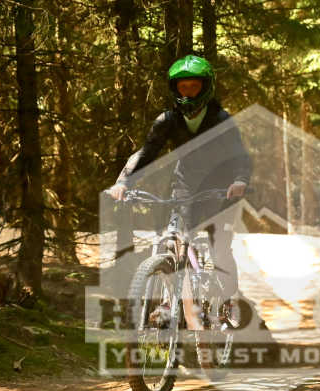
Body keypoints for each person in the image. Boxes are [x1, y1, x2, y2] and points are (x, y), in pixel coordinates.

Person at [107, 54, 251, 301]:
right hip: (186, 184)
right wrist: (123, 181)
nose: (188, 93)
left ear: (206, 88)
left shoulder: (221, 119)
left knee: (219, 249)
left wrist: (240, 180)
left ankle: (226, 303)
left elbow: (240, 156)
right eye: (183, 87)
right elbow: (147, 152)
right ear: (175, 89)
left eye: (194, 86)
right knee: (174, 240)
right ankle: (169, 303)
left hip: (223, 189)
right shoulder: (167, 120)